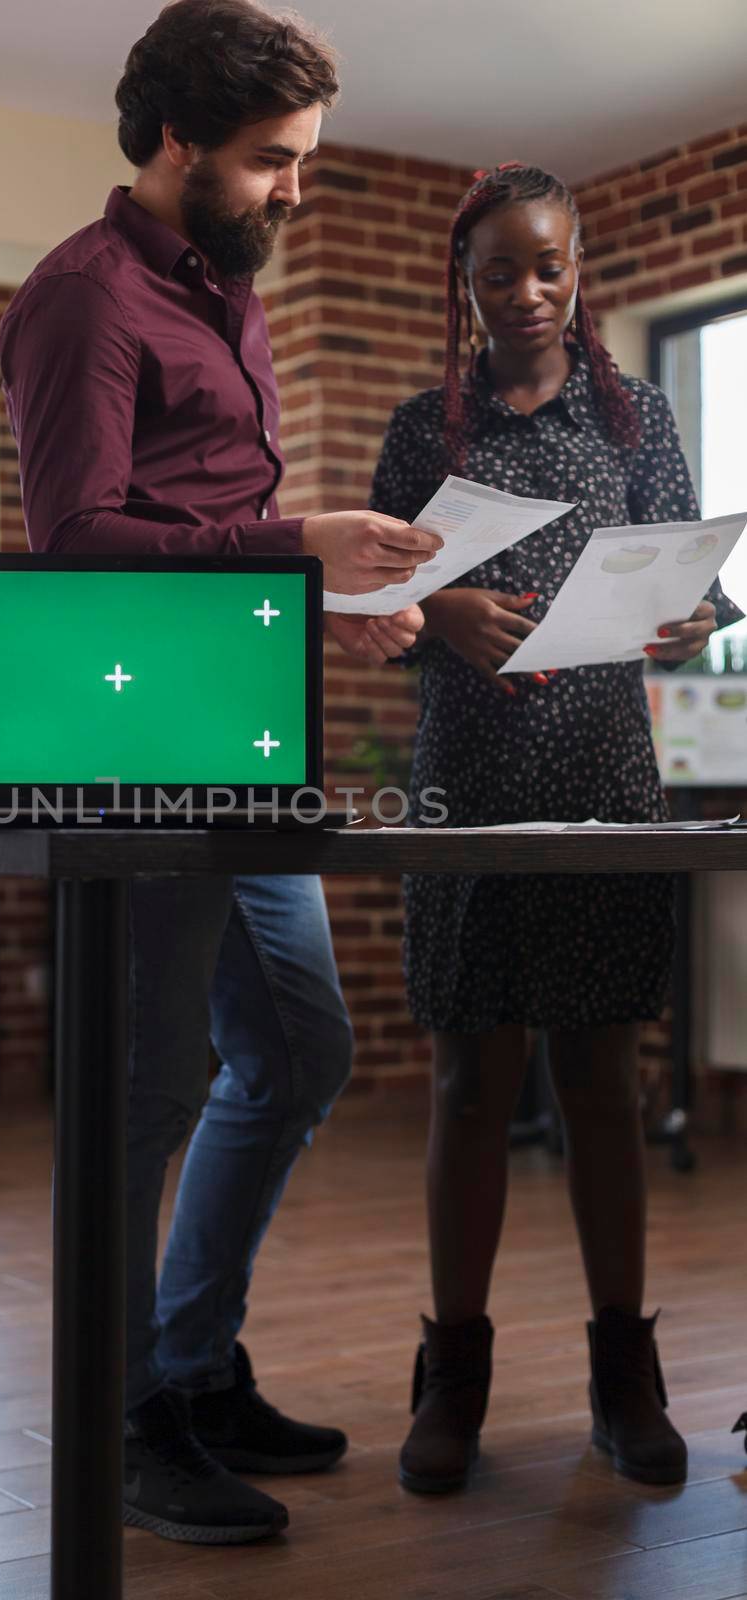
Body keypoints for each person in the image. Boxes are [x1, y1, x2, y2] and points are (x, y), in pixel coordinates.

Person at [0, 0, 438, 1545]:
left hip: (246, 737)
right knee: (147, 1094)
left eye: (302, 162)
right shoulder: (83, 300)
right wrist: (293, 546)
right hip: (133, 747)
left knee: (300, 1052)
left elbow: (221, 538)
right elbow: (76, 548)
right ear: (178, 144)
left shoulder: (229, 293)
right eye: (270, 162)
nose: (292, 192)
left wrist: (334, 596)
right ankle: (130, 1421)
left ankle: (188, 1362)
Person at [363, 161, 744, 1496]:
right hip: (466, 779)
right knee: (470, 1082)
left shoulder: (638, 421)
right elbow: (379, 609)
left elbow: (689, 586)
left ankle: (620, 1375)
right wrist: (435, 618)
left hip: (601, 772)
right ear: (460, 287)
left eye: (546, 268)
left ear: (576, 272)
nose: (523, 294)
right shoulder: (423, 431)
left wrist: (699, 615)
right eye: (495, 273)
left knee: (598, 1082)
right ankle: (449, 1375)